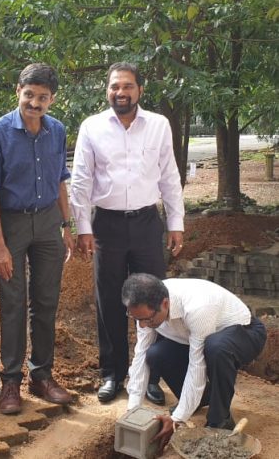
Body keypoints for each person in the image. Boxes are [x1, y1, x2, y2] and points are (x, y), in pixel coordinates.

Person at [70, 62, 184, 405]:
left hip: (147, 222)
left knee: (154, 300)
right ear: (107, 90)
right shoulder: (92, 127)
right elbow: (81, 180)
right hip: (107, 226)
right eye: (115, 86)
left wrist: (175, 222)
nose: (120, 92)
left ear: (140, 90)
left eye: (127, 86)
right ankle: (112, 373)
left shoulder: (158, 125)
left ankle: (151, 374)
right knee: (109, 300)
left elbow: (169, 175)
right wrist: (83, 228)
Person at [0, 63, 74, 414]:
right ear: (18, 91)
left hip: (48, 223)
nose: (34, 103)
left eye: (42, 97)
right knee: (13, 303)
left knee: (46, 301)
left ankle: (42, 375)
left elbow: (60, 179)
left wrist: (67, 225)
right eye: (29, 94)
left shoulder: (57, 130)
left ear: (52, 99)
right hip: (12, 225)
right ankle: (11, 381)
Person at [122, 273, 267, 452]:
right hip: (196, 336)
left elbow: (197, 366)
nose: (143, 325)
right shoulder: (146, 309)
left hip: (245, 332)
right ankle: (201, 399)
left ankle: (220, 420)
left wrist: (177, 419)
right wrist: (133, 410)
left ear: (165, 304)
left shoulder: (198, 308)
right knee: (155, 354)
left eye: (147, 320)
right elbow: (140, 355)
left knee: (216, 348)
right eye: (137, 319)